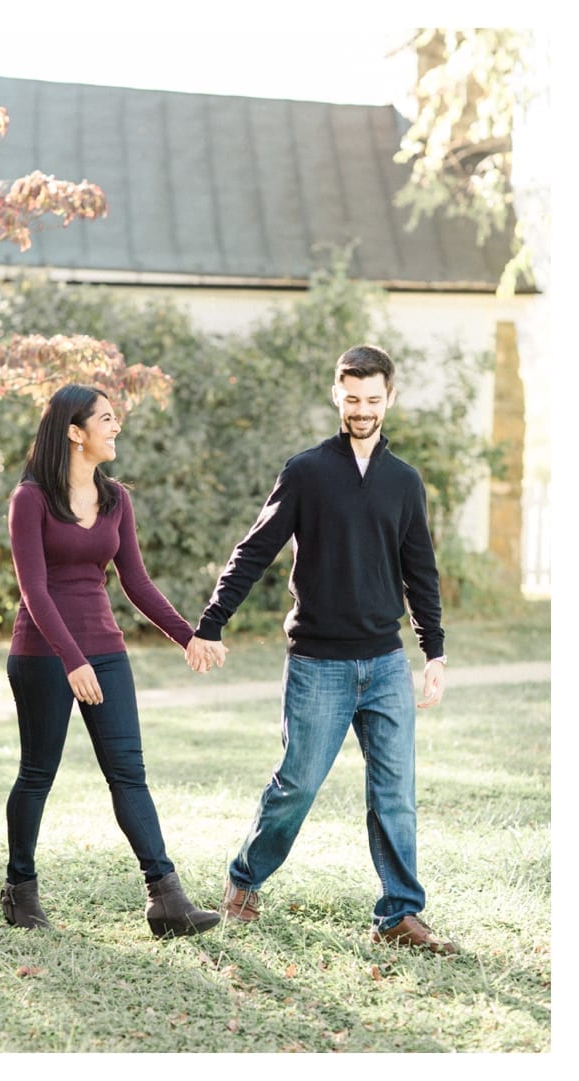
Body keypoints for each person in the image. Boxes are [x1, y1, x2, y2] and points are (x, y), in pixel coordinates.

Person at [186, 344, 456, 955]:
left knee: (395, 794)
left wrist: (432, 651)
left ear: (390, 397)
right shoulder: (306, 471)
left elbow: (422, 572)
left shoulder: (404, 482)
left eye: (373, 399)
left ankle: (400, 915)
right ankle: (244, 882)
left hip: (385, 662)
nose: (363, 410)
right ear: (337, 395)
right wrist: (212, 622)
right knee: (296, 784)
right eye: (352, 399)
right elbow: (255, 550)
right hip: (318, 663)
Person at [2, 383, 221, 937]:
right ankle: (20, 891)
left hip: (106, 650)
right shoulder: (30, 499)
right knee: (37, 773)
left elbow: (137, 582)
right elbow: (34, 591)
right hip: (43, 655)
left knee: (129, 774)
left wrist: (188, 636)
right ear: (75, 433)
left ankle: (167, 900)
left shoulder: (116, 498)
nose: (115, 425)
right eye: (105, 418)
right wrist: (72, 661)